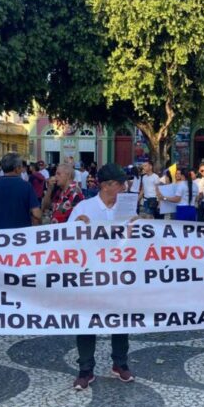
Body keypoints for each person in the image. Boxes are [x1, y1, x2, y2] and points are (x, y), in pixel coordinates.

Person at [68, 164, 134, 390]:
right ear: (108, 186)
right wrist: (78, 228)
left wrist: (139, 225)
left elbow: (134, 242)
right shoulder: (83, 208)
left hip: (119, 273)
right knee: (87, 319)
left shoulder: (126, 208)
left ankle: (120, 363)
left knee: (120, 318)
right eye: (121, 184)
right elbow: (67, 241)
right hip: (90, 273)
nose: (125, 187)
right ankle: (85, 369)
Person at [0, 153, 41, 229]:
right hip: (22, 234)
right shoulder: (26, 186)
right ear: (17, 169)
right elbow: (36, 213)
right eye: (21, 167)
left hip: (0, 234)